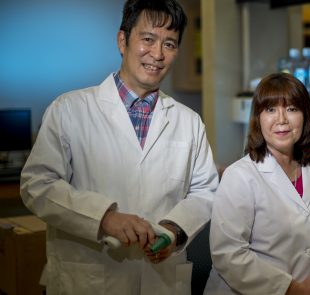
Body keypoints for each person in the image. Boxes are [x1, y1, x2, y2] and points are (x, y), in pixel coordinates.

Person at [19, 0, 218, 294]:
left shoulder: (189, 122)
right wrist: (103, 218)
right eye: (148, 39)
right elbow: (37, 184)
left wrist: (174, 230)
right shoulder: (69, 110)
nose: (158, 54)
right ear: (122, 40)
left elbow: (205, 191)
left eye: (170, 44)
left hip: (161, 279)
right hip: (90, 278)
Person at [204, 72, 310, 295]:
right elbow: (229, 256)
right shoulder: (240, 177)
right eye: (271, 110)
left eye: (291, 109)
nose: (281, 119)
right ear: (258, 118)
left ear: (305, 116)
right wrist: (294, 289)